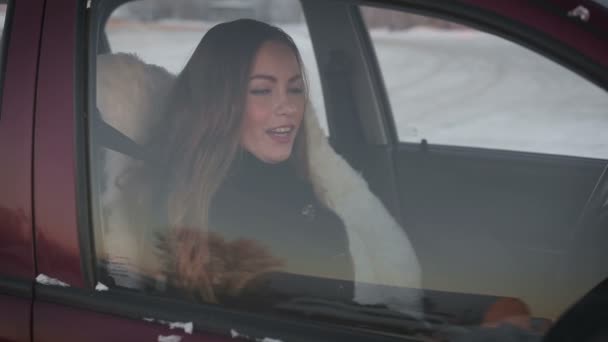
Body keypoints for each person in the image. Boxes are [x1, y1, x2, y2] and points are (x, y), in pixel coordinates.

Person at [96, 19, 422, 313]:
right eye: (262, 90)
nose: (288, 107)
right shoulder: (218, 211)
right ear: (219, 103)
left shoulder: (286, 175)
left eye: (295, 89)